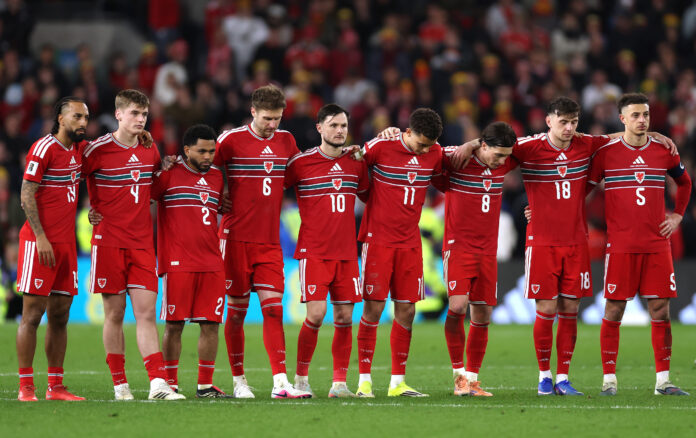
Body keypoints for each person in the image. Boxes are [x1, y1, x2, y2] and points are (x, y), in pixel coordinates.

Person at [83, 89, 183, 401]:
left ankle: (157, 384)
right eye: (134, 114)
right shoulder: (95, 150)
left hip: (142, 244)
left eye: (144, 114)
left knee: (146, 313)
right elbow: (69, 179)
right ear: (118, 114)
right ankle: (120, 386)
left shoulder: (149, 150)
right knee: (114, 314)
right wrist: (85, 209)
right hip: (109, 242)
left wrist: (164, 173)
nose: (140, 119)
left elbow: (151, 191)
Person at [588, 93, 691, 396]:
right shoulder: (607, 152)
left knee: (660, 310)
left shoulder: (663, 149)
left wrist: (677, 216)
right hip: (620, 245)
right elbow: (585, 190)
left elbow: (684, 182)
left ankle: (663, 381)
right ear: (622, 119)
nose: (642, 120)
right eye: (635, 115)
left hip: (657, 244)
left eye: (645, 114)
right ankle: (609, 380)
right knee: (614, 310)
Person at [215, 84, 310, 399]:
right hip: (236, 239)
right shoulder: (229, 141)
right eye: (268, 118)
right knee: (238, 312)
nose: (273, 125)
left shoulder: (287, 141)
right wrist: (217, 197)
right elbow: (203, 172)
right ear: (253, 112)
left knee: (273, 310)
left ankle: (280, 383)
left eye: (278, 118)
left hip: (269, 241)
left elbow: (302, 173)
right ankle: (239, 381)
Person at [356, 108, 448, 398]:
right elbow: (353, 163)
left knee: (407, 309)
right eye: (420, 143)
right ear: (407, 132)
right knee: (373, 307)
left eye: (429, 145)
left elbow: (453, 164)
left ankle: (398, 382)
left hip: (410, 242)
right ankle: (364, 381)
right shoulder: (381, 146)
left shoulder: (435, 153)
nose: (424, 150)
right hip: (378, 239)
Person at [284, 104, 369, 398]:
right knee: (317, 314)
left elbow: (370, 194)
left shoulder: (356, 162)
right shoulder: (301, 163)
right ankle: (301, 378)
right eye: (333, 125)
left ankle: (339, 383)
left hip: (346, 253)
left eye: (344, 125)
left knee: (345, 317)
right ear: (319, 128)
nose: (339, 131)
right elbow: (269, 190)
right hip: (314, 251)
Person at [16, 97, 88, 401]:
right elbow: (26, 194)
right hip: (39, 242)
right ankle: (26, 387)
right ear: (60, 118)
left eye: (85, 118)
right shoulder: (43, 148)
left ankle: (56, 386)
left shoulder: (80, 150)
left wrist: (142, 137)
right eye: (76, 117)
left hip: (66, 246)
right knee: (32, 316)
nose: (83, 122)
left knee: (60, 315)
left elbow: (111, 147)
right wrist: (41, 236)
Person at [151, 124, 231, 398]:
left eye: (212, 151)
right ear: (186, 150)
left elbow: (223, 205)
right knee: (174, 324)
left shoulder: (218, 178)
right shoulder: (169, 173)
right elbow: (140, 199)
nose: (208, 156)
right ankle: (170, 384)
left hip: (212, 262)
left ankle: (205, 385)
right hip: (178, 262)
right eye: (202, 151)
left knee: (211, 324)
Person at [438, 122, 517, 397]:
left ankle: (473, 379)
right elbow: (428, 152)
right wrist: (469, 144)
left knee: (483, 314)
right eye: (497, 155)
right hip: (458, 246)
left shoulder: (503, 160)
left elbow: (538, 141)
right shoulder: (457, 160)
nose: (503, 161)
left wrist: (475, 142)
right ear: (483, 146)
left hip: (487, 251)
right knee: (459, 306)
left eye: (507, 156)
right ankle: (458, 374)